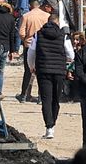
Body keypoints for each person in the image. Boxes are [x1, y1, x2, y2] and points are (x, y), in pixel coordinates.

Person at [30, 8, 74, 141]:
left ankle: (49, 127)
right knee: (56, 98)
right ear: (58, 23)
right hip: (59, 71)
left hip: (43, 71)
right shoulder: (64, 36)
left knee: (46, 99)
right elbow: (71, 55)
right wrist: (66, 64)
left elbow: (31, 52)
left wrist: (32, 66)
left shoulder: (38, 34)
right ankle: (53, 121)